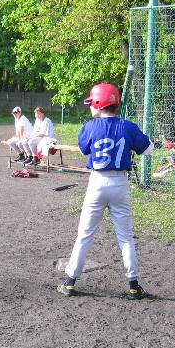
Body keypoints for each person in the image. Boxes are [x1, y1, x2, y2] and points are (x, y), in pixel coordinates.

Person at [57, 83, 154, 299]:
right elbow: (148, 149)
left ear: (100, 104)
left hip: (97, 183)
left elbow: (84, 149)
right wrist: (133, 137)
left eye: (92, 103)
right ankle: (134, 285)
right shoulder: (128, 126)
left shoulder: (90, 126)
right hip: (120, 184)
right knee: (126, 237)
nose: (90, 106)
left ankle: (70, 282)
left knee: (84, 234)